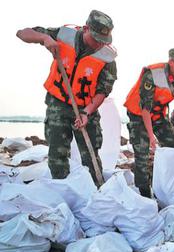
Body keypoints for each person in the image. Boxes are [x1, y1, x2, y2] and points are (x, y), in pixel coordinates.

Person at [16, 10, 117, 186]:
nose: (100, 44)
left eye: (104, 41)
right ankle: (62, 189)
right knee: (57, 154)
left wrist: (86, 113)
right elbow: (22, 33)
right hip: (58, 104)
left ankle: (96, 191)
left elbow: (103, 91)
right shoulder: (64, 35)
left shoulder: (107, 57)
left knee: (90, 154)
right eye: (96, 39)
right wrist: (45, 38)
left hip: (87, 108)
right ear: (86, 29)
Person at [124, 48, 174, 198]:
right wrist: (151, 138)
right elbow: (145, 109)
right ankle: (145, 195)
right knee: (142, 155)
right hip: (139, 115)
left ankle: (170, 188)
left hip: (158, 115)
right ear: (171, 62)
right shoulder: (153, 74)